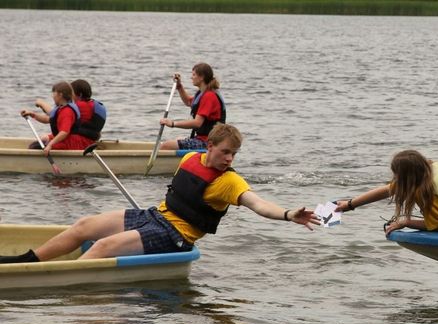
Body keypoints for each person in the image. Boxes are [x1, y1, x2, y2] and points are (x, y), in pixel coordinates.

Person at [0, 123, 319, 264]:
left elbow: (259, 205)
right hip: (155, 216)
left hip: (176, 236)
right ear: (209, 146)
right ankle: (25, 261)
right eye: (225, 152)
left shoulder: (230, 182)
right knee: (84, 224)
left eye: (235, 154)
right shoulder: (190, 157)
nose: (230, 159)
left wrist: (289, 214)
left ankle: (56, 279)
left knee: (104, 245)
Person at [159, 62, 226, 151]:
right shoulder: (203, 93)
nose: (191, 77)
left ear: (201, 77)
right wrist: (179, 86)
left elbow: (197, 123)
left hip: (209, 143)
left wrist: (173, 124)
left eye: (194, 75)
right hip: (202, 139)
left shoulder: (209, 96)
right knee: (176, 140)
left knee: (166, 146)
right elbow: (188, 101)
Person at [20, 80, 93, 153]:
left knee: (35, 147)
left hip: (69, 144)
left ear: (60, 95)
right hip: (65, 141)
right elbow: (47, 119)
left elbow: (64, 132)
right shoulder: (61, 108)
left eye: (53, 93)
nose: (52, 96)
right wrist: (32, 114)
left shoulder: (67, 111)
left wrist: (50, 145)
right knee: (36, 144)